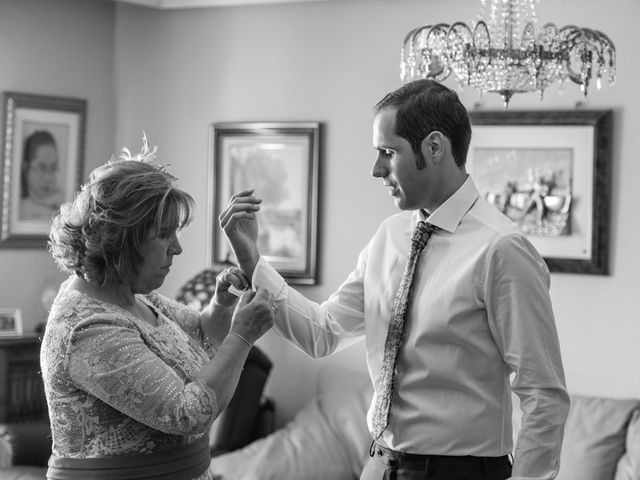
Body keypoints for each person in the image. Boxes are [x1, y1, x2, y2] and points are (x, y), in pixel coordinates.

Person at [220, 79, 570, 480]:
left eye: (388, 152)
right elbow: (323, 332)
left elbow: (544, 395)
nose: (376, 170)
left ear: (434, 147)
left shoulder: (502, 249)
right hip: (379, 466)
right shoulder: (389, 236)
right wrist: (251, 259)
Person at [41, 135, 275, 480]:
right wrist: (242, 335)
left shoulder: (133, 294)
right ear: (124, 238)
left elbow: (198, 336)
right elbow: (187, 413)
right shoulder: (86, 328)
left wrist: (222, 303)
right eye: (165, 235)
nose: (177, 248)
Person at [20, 129, 63, 219]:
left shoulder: (62, 204)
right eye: (41, 167)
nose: (48, 177)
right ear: (26, 168)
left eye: (53, 167)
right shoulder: (21, 208)